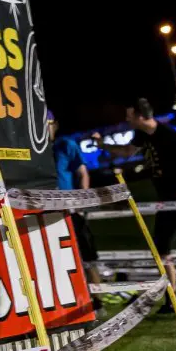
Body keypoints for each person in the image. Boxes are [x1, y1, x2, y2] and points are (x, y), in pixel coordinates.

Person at [96, 98, 176, 314]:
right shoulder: (142, 135)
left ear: (141, 116)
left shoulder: (168, 134)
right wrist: (102, 145)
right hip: (164, 201)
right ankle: (171, 299)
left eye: (129, 115)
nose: (126, 119)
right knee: (161, 252)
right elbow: (126, 152)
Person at [48, 110, 107, 319]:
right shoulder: (35, 151)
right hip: (47, 214)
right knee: (56, 261)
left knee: (87, 257)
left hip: (71, 211)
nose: (45, 128)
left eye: (48, 123)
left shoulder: (65, 145)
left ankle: (98, 302)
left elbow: (82, 173)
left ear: (54, 124)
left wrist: (81, 202)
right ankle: (67, 305)